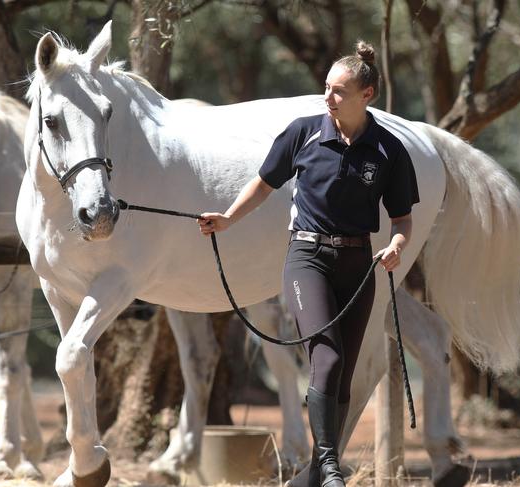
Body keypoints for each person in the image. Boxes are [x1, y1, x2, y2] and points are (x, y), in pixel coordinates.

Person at [198, 41, 419, 487]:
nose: (328, 97)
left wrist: (397, 243)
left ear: (367, 94)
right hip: (307, 259)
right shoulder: (302, 133)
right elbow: (262, 185)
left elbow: (402, 219)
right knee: (329, 359)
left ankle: (316, 475)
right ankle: (332, 468)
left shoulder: (389, 150)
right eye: (326, 88)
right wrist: (227, 219)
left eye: (339, 91)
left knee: (341, 381)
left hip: (359, 266)